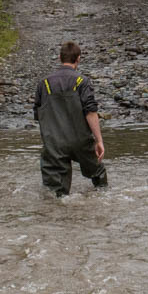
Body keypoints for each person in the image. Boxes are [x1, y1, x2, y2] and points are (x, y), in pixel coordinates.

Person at [32, 40, 107, 196]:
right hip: (80, 140)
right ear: (78, 59)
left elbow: (38, 114)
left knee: (55, 194)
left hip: (54, 143)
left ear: (60, 58)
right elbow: (91, 112)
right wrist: (99, 140)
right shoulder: (82, 81)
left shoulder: (44, 83)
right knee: (98, 174)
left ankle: (59, 215)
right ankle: (101, 200)